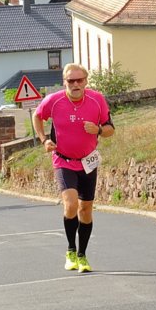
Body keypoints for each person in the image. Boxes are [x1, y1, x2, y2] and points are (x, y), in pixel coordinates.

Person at [32, 63, 114, 274]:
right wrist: (44, 140)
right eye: (71, 81)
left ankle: (82, 255)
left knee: (85, 210)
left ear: (86, 81)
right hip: (63, 161)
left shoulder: (97, 100)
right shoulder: (54, 100)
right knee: (70, 205)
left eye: (79, 80)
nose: (75, 84)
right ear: (64, 82)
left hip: (88, 162)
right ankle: (70, 250)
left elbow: (110, 129)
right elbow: (37, 116)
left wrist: (98, 130)